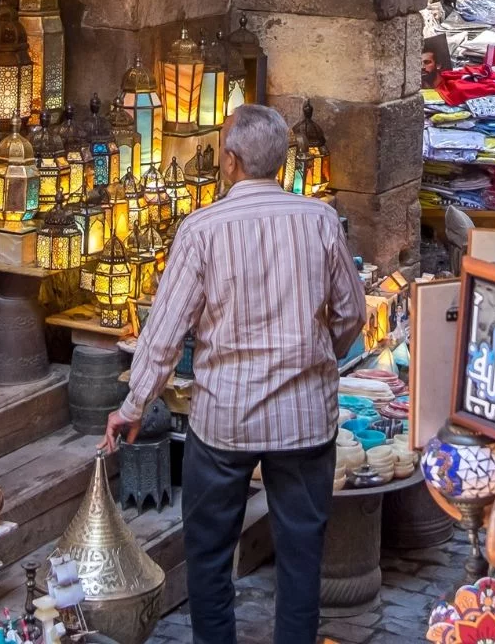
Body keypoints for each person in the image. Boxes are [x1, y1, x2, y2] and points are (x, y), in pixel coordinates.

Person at [103, 104, 365, 644]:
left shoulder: (202, 229)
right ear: (280, 162)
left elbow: (165, 332)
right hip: (304, 421)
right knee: (300, 560)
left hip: (224, 420)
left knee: (208, 557)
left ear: (229, 162)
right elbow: (351, 314)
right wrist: (318, 358)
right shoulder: (317, 220)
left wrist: (134, 406)